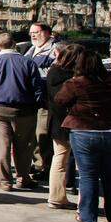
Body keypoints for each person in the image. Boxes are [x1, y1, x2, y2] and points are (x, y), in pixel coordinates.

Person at [55, 48, 111, 222]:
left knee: (88, 176)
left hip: (84, 131)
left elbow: (59, 100)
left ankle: (88, 216)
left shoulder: (74, 84)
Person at [0, 32, 44, 191]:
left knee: (1, 146)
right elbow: (37, 88)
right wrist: (35, 105)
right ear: (14, 43)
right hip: (24, 110)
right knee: (24, 146)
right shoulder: (27, 63)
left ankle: (4, 181)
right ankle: (23, 177)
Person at [45, 41, 78, 210]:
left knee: (60, 159)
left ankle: (57, 195)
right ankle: (58, 196)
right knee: (62, 159)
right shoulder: (71, 77)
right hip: (69, 121)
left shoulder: (53, 72)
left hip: (57, 121)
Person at [25, 22, 56, 178]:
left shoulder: (54, 50)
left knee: (42, 134)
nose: (33, 35)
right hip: (31, 100)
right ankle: (36, 163)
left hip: (45, 100)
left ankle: (44, 166)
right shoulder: (31, 50)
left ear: (47, 33)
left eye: (36, 32)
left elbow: (53, 75)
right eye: (31, 32)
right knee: (32, 134)